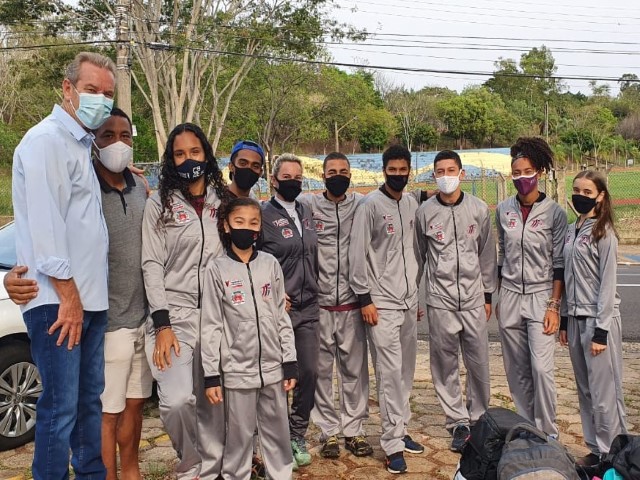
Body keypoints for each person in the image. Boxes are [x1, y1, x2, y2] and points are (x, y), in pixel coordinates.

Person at [11, 51, 114, 479]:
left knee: (88, 402)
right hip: (60, 302)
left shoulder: (80, 145)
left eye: (108, 94)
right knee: (59, 409)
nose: (101, 101)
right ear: (67, 89)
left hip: (87, 301)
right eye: (92, 90)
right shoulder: (47, 140)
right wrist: (69, 299)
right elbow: (48, 230)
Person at [141, 123, 227, 479]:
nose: (188, 159)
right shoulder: (158, 204)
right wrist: (162, 325)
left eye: (194, 152)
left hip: (215, 316)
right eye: (179, 154)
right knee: (177, 401)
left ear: (206, 155)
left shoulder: (223, 204)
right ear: (170, 160)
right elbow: (151, 264)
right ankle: (190, 464)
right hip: (172, 317)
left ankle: (215, 468)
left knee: (212, 402)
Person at [201, 197, 298, 480]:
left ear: (260, 229)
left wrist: (289, 360)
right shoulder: (217, 269)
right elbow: (211, 324)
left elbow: (281, 316)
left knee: (278, 434)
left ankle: (280, 475)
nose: (246, 228)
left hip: (273, 368)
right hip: (236, 371)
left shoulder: (270, 264)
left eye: (253, 223)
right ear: (227, 226)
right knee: (239, 438)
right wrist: (211, 375)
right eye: (239, 222)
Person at [415, 150, 497, 453]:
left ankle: (478, 418)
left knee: (479, 362)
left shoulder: (478, 209)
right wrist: (417, 297)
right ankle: (457, 422)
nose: (446, 175)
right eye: (440, 171)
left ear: (462, 174)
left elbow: (487, 254)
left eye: (451, 169)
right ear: (434, 176)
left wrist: (487, 294)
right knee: (445, 364)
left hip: (474, 299)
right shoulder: (425, 213)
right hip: (440, 301)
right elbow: (418, 256)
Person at [349, 144, 424, 474]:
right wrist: (365, 298)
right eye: (391, 169)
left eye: (402, 169)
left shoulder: (410, 203)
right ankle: (392, 445)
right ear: (384, 170)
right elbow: (357, 256)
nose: (397, 174)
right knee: (390, 376)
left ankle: (401, 429)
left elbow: (413, 252)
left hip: (408, 302)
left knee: (406, 372)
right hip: (381, 305)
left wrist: (416, 297)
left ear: (409, 169)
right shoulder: (369, 206)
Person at [299, 152, 373, 459]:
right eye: (332, 171)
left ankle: (354, 431)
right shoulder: (308, 205)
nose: (338, 175)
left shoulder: (363, 205)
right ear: (323, 175)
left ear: (351, 174)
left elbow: (400, 198)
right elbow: (273, 201)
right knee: (321, 372)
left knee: (355, 372)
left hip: (354, 305)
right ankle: (328, 432)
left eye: (343, 170)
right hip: (320, 305)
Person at [495, 137, 567, 437]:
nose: (522, 179)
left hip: (541, 297)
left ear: (538, 172)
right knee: (517, 372)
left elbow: (559, 261)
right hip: (510, 295)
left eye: (527, 172)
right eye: (516, 173)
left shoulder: (554, 212)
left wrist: (554, 305)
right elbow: (501, 251)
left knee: (541, 370)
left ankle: (548, 432)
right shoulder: (503, 210)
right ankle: (527, 427)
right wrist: (499, 295)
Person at [559, 170, 627, 466]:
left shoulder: (604, 232)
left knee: (605, 394)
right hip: (575, 318)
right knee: (585, 389)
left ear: (600, 196)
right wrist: (563, 320)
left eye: (587, 192)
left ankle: (615, 453)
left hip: (599, 322)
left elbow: (608, 285)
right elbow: (566, 275)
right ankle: (595, 449)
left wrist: (601, 332)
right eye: (576, 190)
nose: (580, 196)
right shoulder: (574, 229)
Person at [259, 153, 319, 469]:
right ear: (274, 179)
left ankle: (297, 433)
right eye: (287, 176)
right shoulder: (263, 215)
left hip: (309, 307)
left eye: (298, 177)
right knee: (280, 377)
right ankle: (278, 439)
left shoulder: (306, 212)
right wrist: (272, 295)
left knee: (309, 372)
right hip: (279, 311)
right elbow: (254, 262)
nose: (293, 181)